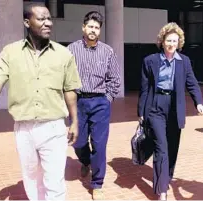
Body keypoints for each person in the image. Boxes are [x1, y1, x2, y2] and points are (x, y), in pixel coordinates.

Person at [0, 3, 82, 200]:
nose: (48, 23)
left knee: (54, 181)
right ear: (27, 22)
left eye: (49, 19)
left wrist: (75, 121)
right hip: (24, 128)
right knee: (32, 179)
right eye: (41, 19)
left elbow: (70, 90)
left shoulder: (63, 54)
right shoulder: (11, 52)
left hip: (53, 127)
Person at [137, 22, 203, 200]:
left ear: (179, 42)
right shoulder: (150, 61)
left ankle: (166, 178)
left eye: (175, 41)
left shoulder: (184, 62)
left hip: (175, 107)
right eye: (168, 40)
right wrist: (141, 111)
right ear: (162, 41)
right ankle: (162, 190)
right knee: (162, 148)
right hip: (156, 105)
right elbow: (144, 88)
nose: (171, 44)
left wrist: (199, 103)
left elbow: (192, 83)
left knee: (172, 148)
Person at [67, 11, 121, 200]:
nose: (93, 30)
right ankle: (85, 160)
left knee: (99, 144)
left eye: (96, 28)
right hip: (79, 102)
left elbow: (115, 79)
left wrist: (108, 98)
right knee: (78, 141)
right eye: (90, 26)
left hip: (100, 103)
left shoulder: (107, 51)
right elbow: (64, 77)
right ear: (83, 28)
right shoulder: (71, 50)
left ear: (100, 31)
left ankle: (97, 183)